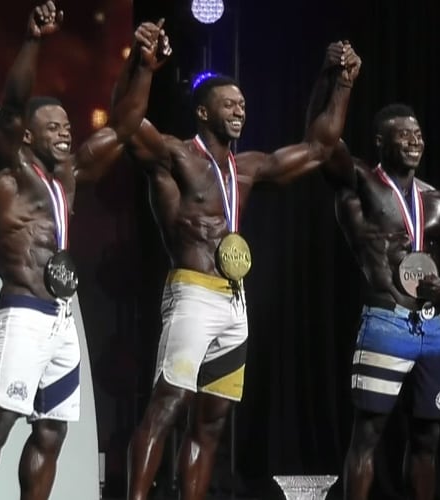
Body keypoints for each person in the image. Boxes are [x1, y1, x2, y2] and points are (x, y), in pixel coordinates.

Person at [107, 23, 362, 500]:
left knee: (212, 422)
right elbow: (124, 123)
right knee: (168, 405)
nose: (240, 110)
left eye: (243, 104)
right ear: (203, 112)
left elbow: (319, 149)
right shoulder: (175, 156)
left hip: (234, 302)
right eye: (229, 104)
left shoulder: (247, 169)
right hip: (191, 293)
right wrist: (142, 66)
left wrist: (340, 83)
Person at [0, 3, 149, 499]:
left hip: (62, 319)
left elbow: (124, 128)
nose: (66, 131)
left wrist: (145, 67)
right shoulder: (6, 170)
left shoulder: (69, 177)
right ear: (27, 135)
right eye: (54, 126)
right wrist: (33, 40)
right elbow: (12, 105)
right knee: (1, 421)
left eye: (68, 125)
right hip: (24, 311)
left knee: (51, 431)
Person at [320, 102, 440, 499]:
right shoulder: (361, 185)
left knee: (428, 438)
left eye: (418, 135)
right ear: (381, 141)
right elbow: (324, 143)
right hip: (385, 321)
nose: (414, 141)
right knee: (368, 435)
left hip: (432, 329)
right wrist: (338, 85)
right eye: (404, 135)